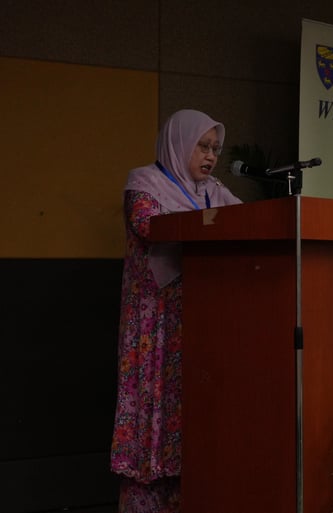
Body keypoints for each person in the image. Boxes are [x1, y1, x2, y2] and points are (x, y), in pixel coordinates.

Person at [110, 109, 242, 512]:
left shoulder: (213, 191)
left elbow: (249, 222)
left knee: (191, 407)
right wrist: (209, 223)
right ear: (179, 143)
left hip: (199, 320)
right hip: (153, 323)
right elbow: (149, 226)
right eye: (202, 146)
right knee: (153, 406)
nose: (211, 156)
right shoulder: (144, 183)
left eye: (215, 148)